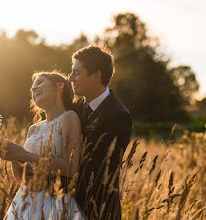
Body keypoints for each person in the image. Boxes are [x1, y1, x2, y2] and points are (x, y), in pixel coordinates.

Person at [0, 72, 85, 220]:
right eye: (32, 87)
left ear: (59, 85)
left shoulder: (69, 117)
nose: (33, 89)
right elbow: (24, 181)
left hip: (55, 203)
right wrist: (12, 156)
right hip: (26, 203)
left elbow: (71, 167)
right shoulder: (34, 129)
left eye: (39, 83)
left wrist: (25, 155)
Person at [69, 45, 133, 219]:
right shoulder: (73, 108)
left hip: (99, 210)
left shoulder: (119, 116)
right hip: (67, 205)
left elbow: (99, 168)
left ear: (97, 76)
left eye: (77, 73)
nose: (70, 78)